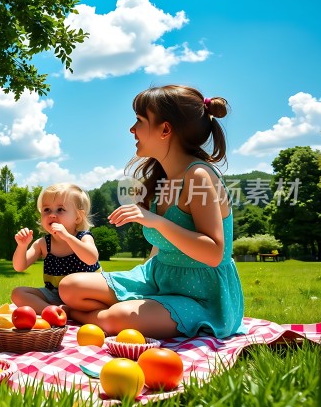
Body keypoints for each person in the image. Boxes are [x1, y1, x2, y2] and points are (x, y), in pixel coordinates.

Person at [58, 85, 245, 339]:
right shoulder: (161, 179)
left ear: (165, 130)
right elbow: (162, 245)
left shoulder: (199, 176)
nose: (132, 129)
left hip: (202, 296)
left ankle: (75, 315)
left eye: (139, 120)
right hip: (159, 278)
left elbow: (213, 253)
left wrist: (156, 221)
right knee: (70, 286)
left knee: (117, 317)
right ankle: (98, 313)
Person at [12, 183, 100, 315]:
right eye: (47, 210)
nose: (52, 215)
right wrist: (22, 246)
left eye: (60, 210)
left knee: (87, 298)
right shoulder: (43, 243)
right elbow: (19, 266)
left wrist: (67, 237)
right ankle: (54, 311)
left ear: (78, 217)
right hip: (55, 294)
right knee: (18, 293)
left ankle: (69, 309)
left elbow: (91, 258)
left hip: (85, 294)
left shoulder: (83, 237)